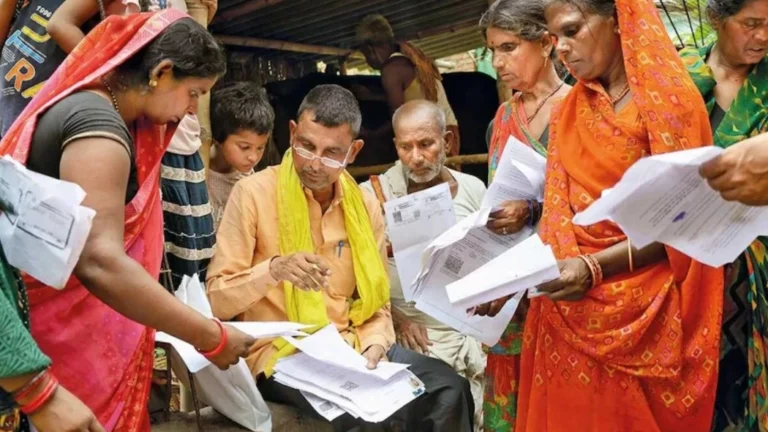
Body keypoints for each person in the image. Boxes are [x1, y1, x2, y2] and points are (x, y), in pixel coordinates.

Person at [0, 11, 254, 430]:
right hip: (63, 345)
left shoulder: (100, 110)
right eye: (193, 93)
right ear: (161, 72)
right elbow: (100, 263)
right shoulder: (99, 130)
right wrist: (211, 337)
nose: (192, 111)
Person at [207, 84, 475, 432]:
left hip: (350, 345)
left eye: (332, 153)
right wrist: (273, 270)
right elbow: (216, 300)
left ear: (353, 151)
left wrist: (376, 343)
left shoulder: (364, 206)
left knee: (448, 389)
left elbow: (375, 303)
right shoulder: (253, 194)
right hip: (283, 354)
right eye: (306, 146)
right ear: (292, 133)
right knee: (367, 418)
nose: (315, 163)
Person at [511, 0, 723, 430]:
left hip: (649, 311)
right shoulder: (568, 110)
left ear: (618, 21)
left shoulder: (670, 104)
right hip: (568, 309)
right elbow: (558, 215)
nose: (561, 48)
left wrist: (594, 267)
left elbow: (687, 220)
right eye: (555, 38)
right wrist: (511, 282)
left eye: (572, 31)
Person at [359, 100, 487, 429]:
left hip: (470, 334)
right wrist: (397, 320)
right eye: (405, 147)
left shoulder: (473, 189)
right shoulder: (373, 196)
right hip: (414, 337)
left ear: (447, 141)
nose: (416, 157)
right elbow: (354, 280)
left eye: (426, 144)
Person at [475, 2, 571, 430]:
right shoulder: (502, 118)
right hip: (507, 298)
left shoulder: (580, 109)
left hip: (560, 286)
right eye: (493, 50)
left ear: (546, 43)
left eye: (509, 47)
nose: (498, 62)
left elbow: (592, 202)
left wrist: (533, 209)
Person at [679, 0, 768, 429]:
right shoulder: (674, 80)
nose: (763, 37)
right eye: (751, 24)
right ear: (717, 18)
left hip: (758, 280)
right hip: (686, 274)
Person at [355, 14, 461, 159]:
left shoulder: (391, 70)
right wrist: (373, 96)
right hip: (447, 131)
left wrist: (372, 135)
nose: (367, 60)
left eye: (365, 54)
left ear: (370, 49)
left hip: (429, 136)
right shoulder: (409, 58)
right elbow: (413, 97)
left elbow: (398, 117)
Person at [207, 82, 274, 230]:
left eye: (260, 148)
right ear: (217, 139)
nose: (253, 157)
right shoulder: (201, 172)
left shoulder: (248, 178)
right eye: (244, 147)